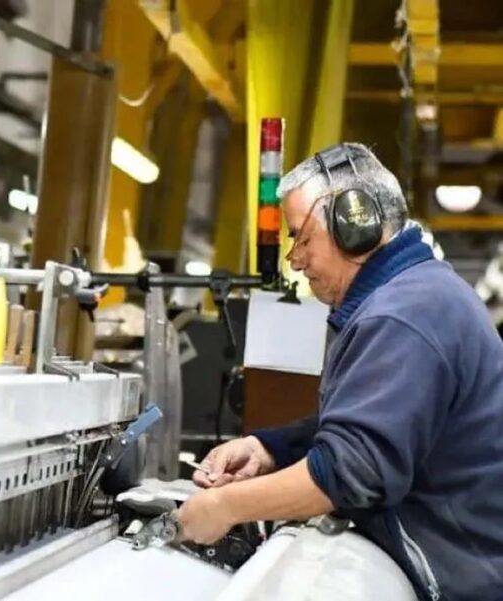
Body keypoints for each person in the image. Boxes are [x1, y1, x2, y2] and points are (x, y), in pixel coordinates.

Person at [176, 143, 503, 600]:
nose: (295, 260)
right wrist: (270, 447)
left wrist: (223, 507)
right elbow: (376, 425)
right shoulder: (411, 297)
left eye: (302, 238)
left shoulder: (403, 314)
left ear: (356, 226)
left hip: (465, 582)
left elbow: (353, 472)